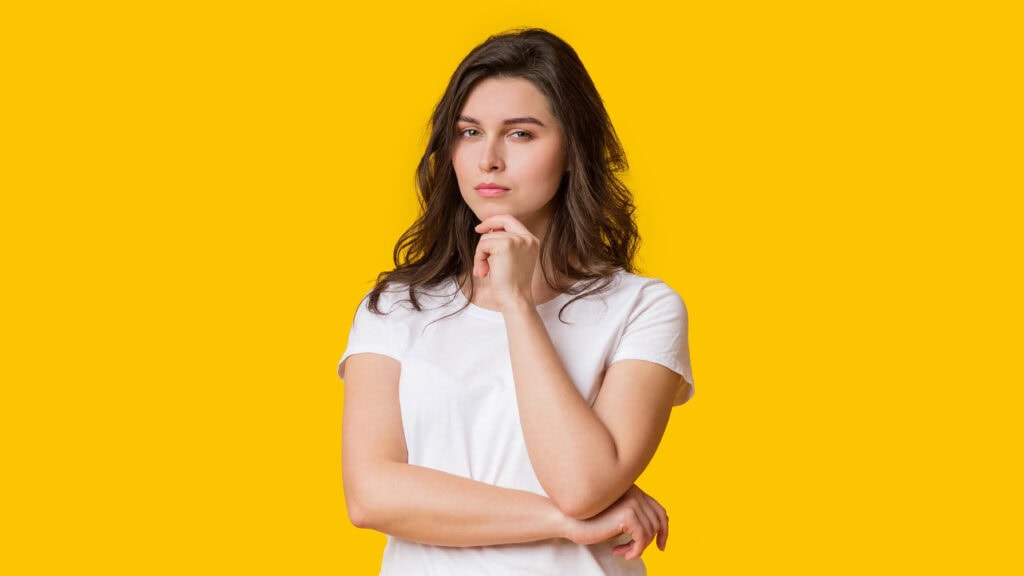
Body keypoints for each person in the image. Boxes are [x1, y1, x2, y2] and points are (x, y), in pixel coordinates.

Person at [338, 28, 694, 575]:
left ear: (573, 148)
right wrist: (563, 523)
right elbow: (372, 495)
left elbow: (581, 484)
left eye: (522, 134)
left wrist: (518, 305)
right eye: (469, 132)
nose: (489, 159)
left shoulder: (642, 308)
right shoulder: (396, 308)